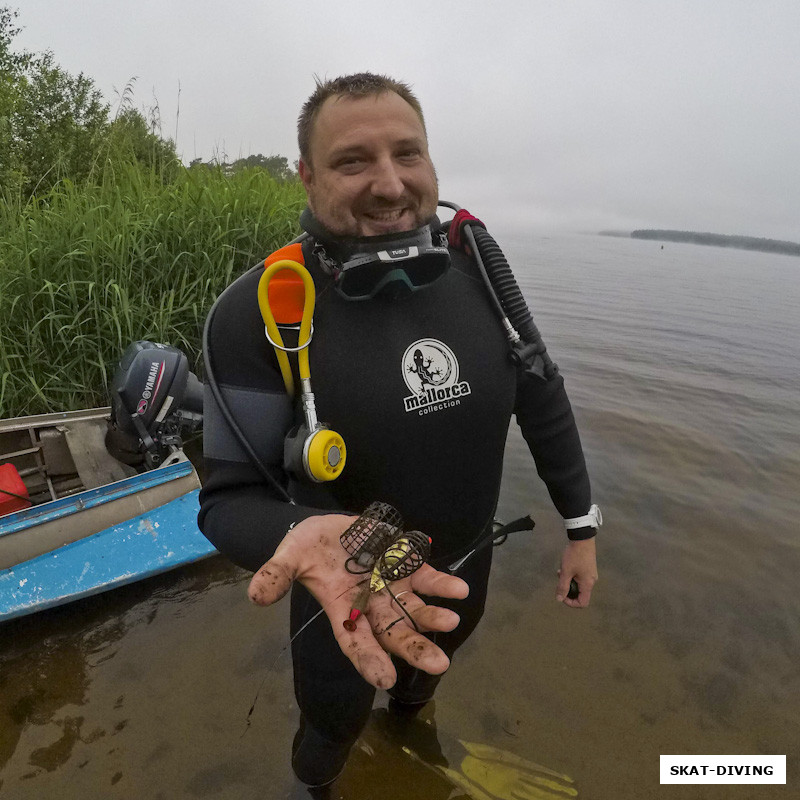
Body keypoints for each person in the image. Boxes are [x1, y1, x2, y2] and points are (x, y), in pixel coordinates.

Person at [198, 73, 599, 793]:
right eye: (354, 162)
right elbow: (226, 503)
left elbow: (540, 395)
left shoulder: (480, 269)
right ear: (308, 175)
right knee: (329, 727)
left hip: (464, 567)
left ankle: (412, 736)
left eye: (407, 154)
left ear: (431, 162)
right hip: (341, 591)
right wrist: (308, 538)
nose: (389, 184)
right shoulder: (260, 309)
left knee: (422, 682)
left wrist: (581, 527)